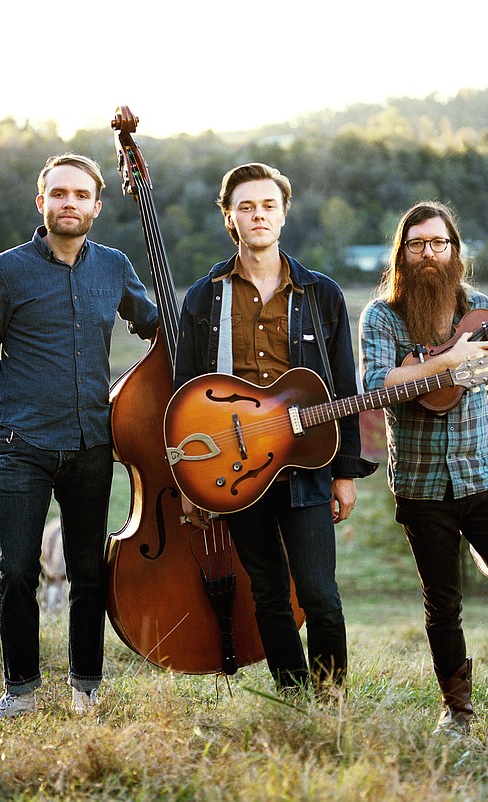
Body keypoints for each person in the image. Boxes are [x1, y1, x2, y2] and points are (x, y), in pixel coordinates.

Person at [0, 153, 158, 723]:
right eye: (59, 193)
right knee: (18, 569)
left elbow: (154, 328)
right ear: (41, 202)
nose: (69, 203)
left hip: (94, 442)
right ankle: (19, 692)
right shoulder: (5, 272)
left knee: (88, 571)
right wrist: (22, 399)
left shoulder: (114, 266)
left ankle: (86, 689)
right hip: (24, 444)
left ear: (97, 205)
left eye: (81, 195)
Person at [358, 200, 488, 741]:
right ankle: (457, 713)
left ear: (454, 252)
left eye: (438, 244)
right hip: (422, 487)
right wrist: (445, 362)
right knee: (443, 605)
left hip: (485, 477)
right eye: (418, 244)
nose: (429, 253)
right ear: (403, 254)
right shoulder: (381, 317)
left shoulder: (481, 308)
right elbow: (379, 387)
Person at [174, 163, 376, 695]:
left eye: (268, 205)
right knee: (267, 593)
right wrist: (189, 483)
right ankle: (291, 695)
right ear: (229, 218)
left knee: (319, 594)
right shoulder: (202, 298)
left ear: (284, 214)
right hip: (233, 474)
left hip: (306, 468)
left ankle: (331, 698)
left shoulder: (321, 294)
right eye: (246, 206)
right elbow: (182, 397)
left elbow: (345, 390)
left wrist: (345, 472)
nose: (257, 215)